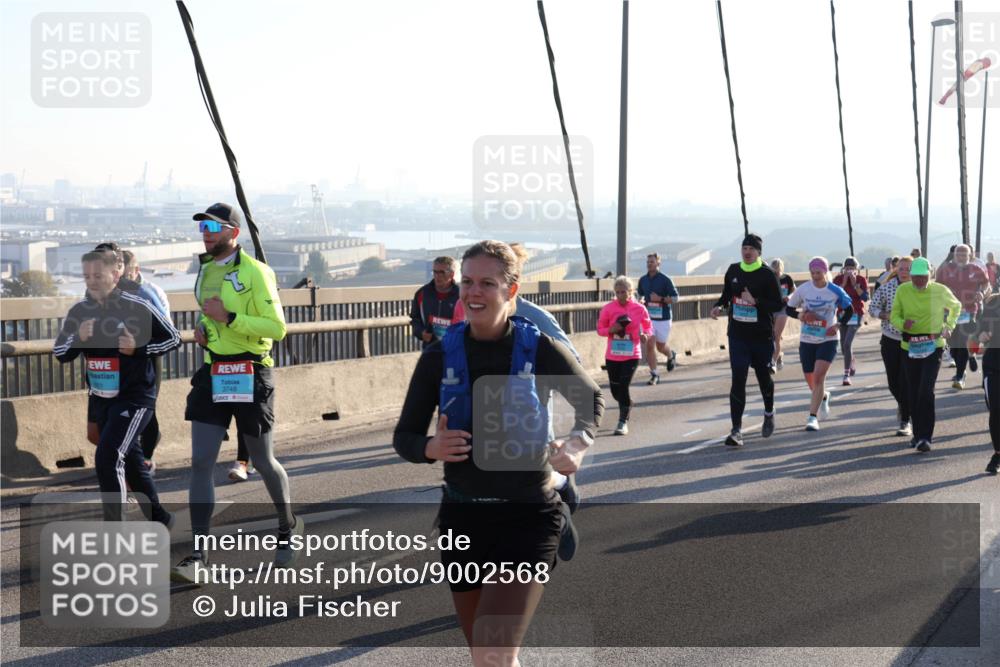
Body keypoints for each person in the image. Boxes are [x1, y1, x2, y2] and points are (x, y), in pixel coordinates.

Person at [393, 240, 603, 666]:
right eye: (467, 282)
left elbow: (590, 400)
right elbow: (405, 436)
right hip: (462, 514)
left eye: (486, 283)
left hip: (527, 514)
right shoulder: (438, 356)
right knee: (487, 657)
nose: (473, 292)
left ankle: (563, 505)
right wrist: (430, 448)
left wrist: (578, 444)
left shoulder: (538, 346)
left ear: (511, 290)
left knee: (492, 654)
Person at [172, 203, 302, 583]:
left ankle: (287, 525)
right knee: (200, 462)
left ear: (234, 232)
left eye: (213, 226)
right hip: (214, 371)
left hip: (251, 370)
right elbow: (206, 312)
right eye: (202, 227)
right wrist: (202, 330)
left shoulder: (257, 272)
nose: (206, 233)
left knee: (262, 461)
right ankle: (198, 555)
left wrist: (229, 319)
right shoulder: (206, 269)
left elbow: (277, 328)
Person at [53, 248, 181, 525]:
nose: (91, 281)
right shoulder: (79, 311)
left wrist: (139, 348)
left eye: (98, 275)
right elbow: (60, 352)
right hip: (101, 398)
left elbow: (173, 339)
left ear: (116, 273)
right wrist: (78, 338)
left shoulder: (136, 306)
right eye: (86, 275)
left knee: (108, 458)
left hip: (135, 398)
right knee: (133, 465)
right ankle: (160, 519)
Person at [710, 234, 784, 447]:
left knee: (763, 379)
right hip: (738, 336)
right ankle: (736, 430)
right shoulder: (733, 270)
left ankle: (769, 412)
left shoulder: (767, 274)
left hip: (761, 336)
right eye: (744, 248)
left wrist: (756, 301)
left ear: (759, 252)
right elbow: (726, 296)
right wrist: (719, 306)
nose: (747, 251)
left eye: (752, 248)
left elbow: (777, 304)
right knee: (738, 379)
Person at [889, 257, 961, 453]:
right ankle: (918, 434)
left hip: (933, 344)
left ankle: (925, 437)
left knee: (925, 390)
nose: (919, 281)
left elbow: (956, 307)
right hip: (909, 345)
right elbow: (894, 314)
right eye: (915, 278)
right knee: (912, 391)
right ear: (910, 276)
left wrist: (949, 326)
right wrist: (903, 324)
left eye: (923, 277)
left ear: (930, 275)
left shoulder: (939, 290)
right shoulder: (903, 290)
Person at [783, 257, 854, 431]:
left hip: (828, 339)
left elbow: (849, 310)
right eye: (812, 273)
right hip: (808, 339)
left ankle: (812, 417)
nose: (815, 276)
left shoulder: (835, 290)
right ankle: (823, 396)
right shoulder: (804, 289)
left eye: (819, 273)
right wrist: (801, 316)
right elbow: (789, 309)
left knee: (819, 376)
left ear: (825, 272)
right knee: (811, 380)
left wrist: (837, 325)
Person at [122, 250, 171, 473]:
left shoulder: (150, 292)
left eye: (126, 275)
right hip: (123, 357)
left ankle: (147, 457)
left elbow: (167, 329)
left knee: (146, 408)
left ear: (136, 270)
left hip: (149, 356)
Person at [597, 276, 652, 436]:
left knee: (623, 386)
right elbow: (600, 329)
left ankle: (622, 422)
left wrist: (645, 335)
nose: (620, 295)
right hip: (613, 354)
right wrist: (611, 330)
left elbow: (648, 327)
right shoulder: (608, 308)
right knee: (615, 391)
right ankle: (627, 403)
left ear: (631, 292)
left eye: (624, 292)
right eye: (618, 292)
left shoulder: (639, 309)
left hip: (632, 353)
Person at [869, 256, 914, 437]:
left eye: (909, 269)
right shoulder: (887, 287)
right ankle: (904, 406)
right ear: (896, 270)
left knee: (906, 381)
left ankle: (905, 419)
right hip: (890, 338)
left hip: (912, 341)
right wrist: (886, 315)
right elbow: (872, 308)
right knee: (893, 382)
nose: (905, 272)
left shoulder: (919, 288)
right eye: (902, 269)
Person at [936, 244, 991, 389]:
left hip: (969, 310)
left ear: (969, 256)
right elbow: (937, 287)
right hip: (950, 312)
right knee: (953, 346)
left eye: (964, 255)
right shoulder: (945, 270)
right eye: (958, 254)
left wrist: (982, 293)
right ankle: (966, 360)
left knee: (964, 341)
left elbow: (986, 285)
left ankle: (960, 375)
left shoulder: (976, 269)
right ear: (954, 255)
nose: (961, 257)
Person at [636, 253, 679, 385]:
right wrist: (641, 300)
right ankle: (655, 374)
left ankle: (671, 354)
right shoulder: (643, 280)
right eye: (648, 262)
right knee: (650, 345)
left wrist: (660, 299)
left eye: (652, 262)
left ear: (658, 264)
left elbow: (676, 298)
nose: (649, 264)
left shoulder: (666, 280)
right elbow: (639, 295)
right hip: (649, 318)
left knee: (660, 347)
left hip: (663, 318)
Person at [832, 257, 869, 385]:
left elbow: (865, 297)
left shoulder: (860, 279)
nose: (849, 271)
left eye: (852, 269)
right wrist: (843, 283)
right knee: (843, 346)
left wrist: (854, 285)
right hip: (842, 314)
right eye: (847, 269)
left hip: (856, 313)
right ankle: (851, 359)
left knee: (847, 343)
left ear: (856, 269)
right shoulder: (838, 279)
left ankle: (846, 375)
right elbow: (833, 296)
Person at [410, 256, 460, 348]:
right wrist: (421, 333)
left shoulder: (462, 295)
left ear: (452, 274)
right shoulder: (422, 294)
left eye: (442, 272)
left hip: (456, 351)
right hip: (430, 351)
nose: (437, 276)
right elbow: (415, 319)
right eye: (435, 272)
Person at [975, 293, 1000, 474]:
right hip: (994, 367)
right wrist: (982, 335)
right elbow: (979, 332)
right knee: (996, 410)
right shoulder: (993, 304)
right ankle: (998, 454)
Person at [770, 258, 795, 372]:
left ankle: (772, 362)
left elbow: (795, 291)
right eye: (774, 269)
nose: (776, 272)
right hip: (771, 309)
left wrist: (789, 297)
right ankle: (779, 355)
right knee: (771, 337)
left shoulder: (787, 278)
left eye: (778, 270)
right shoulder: (769, 279)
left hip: (783, 309)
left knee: (776, 335)